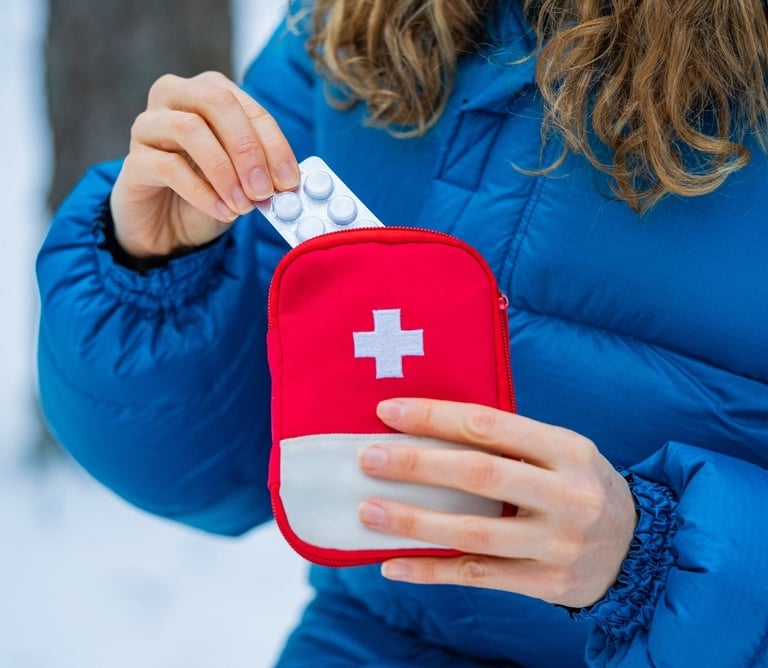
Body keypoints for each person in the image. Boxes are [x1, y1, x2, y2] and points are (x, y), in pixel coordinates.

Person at [36, 1, 768, 666]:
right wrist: (157, 277)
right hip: (372, 643)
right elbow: (217, 466)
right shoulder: (354, 22)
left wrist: (660, 562)